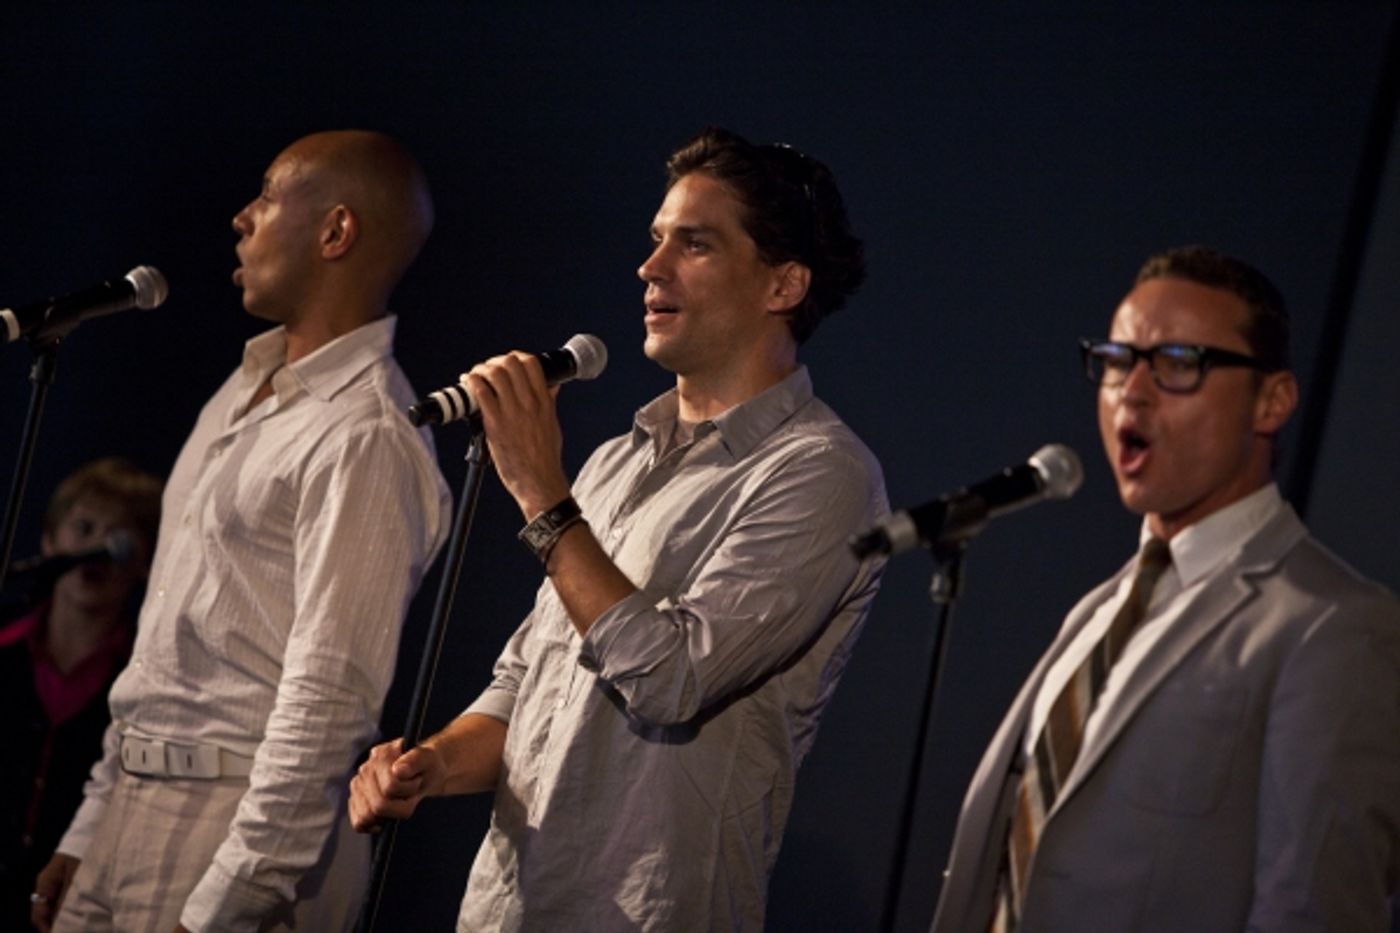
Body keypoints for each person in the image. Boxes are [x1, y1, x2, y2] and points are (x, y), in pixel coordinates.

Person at [350, 126, 888, 931]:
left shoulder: (821, 473)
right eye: (655, 240)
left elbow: (671, 680)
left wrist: (539, 489)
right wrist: (428, 764)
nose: (650, 268)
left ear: (783, 285)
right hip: (507, 909)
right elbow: (524, 689)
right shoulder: (613, 463)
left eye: (694, 244)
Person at [31, 130, 451, 933]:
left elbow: (330, 697)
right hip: (132, 805)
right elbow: (167, 646)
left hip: (232, 825)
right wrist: (92, 825)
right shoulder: (241, 390)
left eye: (266, 195)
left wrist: (236, 893)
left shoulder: (364, 433)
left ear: (336, 232)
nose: (241, 217)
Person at [930, 246, 1400, 933]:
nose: (1134, 389)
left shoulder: (1336, 628)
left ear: (1272, 400)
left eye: (1180, 362)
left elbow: (1312, 908)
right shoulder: (1101, 608)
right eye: (1118, 360)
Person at [0, 457, 161, 931]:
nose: (97, 550)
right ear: (49, 542)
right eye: (83, 528)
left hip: (68, 911)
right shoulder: (5, 650)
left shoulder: (142, 681)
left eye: (119, 539)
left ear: (146, 565)